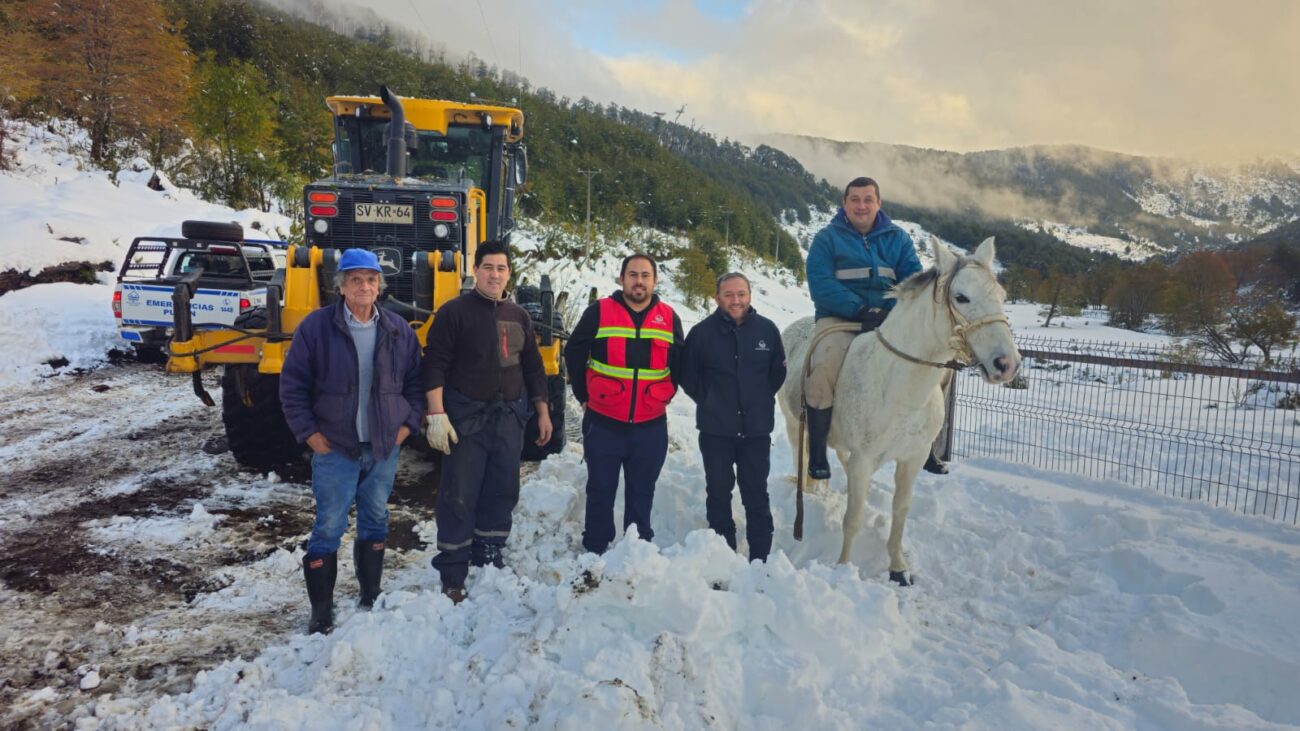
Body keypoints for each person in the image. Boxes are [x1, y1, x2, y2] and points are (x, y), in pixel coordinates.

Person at [280, 248, 425, 634]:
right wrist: (310, 434)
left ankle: (370, 593)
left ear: (380, 286)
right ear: (341, 286)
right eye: (356, 280)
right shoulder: (316, 328)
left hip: (382, 446)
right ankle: (321, 610)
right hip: (335, 447)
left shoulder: (398, 330)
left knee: (376, 518)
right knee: (329, 524)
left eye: (371, 280)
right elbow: (292, 385)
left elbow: (416, 384)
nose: (364, 286)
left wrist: (407, 426)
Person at [422, 241, 551, 603]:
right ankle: (453, 570)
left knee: (502, 488)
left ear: (510, 273)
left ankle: (489, 554)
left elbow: (533, 367)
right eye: (488, 267)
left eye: (502, 268)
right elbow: (434, 363)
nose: (495, 274)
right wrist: (436, 413)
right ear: (475, 270)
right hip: (467, 419)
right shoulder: (454, 313)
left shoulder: (519, 315)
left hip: (509, 417)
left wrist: (541, 411)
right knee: (459, 493)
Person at [805, 176, 929, 479]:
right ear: (844, 204)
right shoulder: (827, 239)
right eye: (855, 199)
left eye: (868, 199)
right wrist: (860, 310)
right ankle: (818, 448)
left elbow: (913, 281)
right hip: (841, 319)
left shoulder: (898, 239)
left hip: (889, 320)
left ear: (878, 203)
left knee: (935, 361)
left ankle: (928, 442)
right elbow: (822, 285)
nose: (862, 205)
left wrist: (892, 312)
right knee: (824, 366)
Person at [564, 253, 684, 555]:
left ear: (655, 281)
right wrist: (583, 396)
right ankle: (595, 548)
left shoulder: (669, 318)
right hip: (604, 422)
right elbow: (574, 353)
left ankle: (637, 547)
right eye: (633, 274)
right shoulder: (600, 312)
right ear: (622, 279)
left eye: (645, 275)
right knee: (600, 489)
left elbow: (681, 364)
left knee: (642, 491)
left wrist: (665, 395)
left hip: (650, 426)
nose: (639, 281)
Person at [679, 272, 786, 561]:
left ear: (750, 296)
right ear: (717, 298)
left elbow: (777, 373)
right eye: (728, 294)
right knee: (718, 493)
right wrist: (712, 400)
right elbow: (688, 377)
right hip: (716, 432)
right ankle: (723, 553)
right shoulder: (701, 334)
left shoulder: (767, 331)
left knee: (756, 494)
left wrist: (759, 399)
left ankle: (761, 557)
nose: (735, 300)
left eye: (741, 294)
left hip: (756, 432)